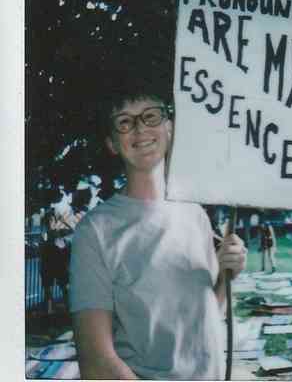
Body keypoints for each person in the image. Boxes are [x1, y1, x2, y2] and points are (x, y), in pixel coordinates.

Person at [69, 92, 247, 380]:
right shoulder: (95, 231)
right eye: (125, 122)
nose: (141, 129)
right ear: (112, 143)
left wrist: (227, 276)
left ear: (170, 127)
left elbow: (210, 317)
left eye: (151, 115)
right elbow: (97, 363)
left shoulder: (195, 214)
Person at [40, 210, 74, 314]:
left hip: (57, 266)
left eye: (51, 220)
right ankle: (50, 313)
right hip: (49, 266)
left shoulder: (57, 233)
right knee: (49, 292)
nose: (49, 223)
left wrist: (62, 220)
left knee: (64, 289)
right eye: (48, 221)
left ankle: (67, 311)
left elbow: (73, 230)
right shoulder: (46, 234)